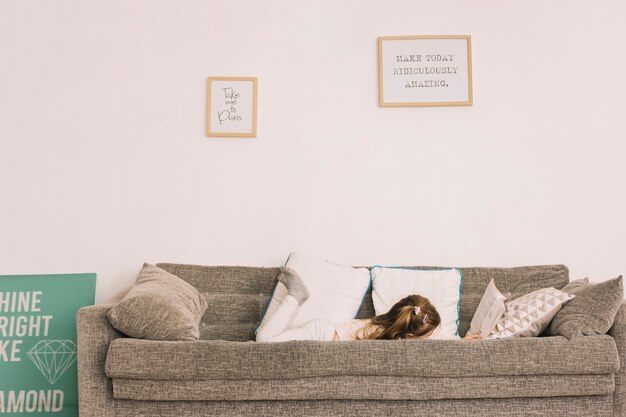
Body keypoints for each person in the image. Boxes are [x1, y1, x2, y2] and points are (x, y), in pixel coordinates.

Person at [256, 266, 482, 342]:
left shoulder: (389, 325)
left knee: (266, 340)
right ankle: (294, 296)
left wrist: (460, 341)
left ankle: (295, 297)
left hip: (324, 330)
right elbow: (434, 346)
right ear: (410, 338)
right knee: (263, 342)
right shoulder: (386, 338)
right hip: (321, 333)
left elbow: (434, 344)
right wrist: (460, 342)